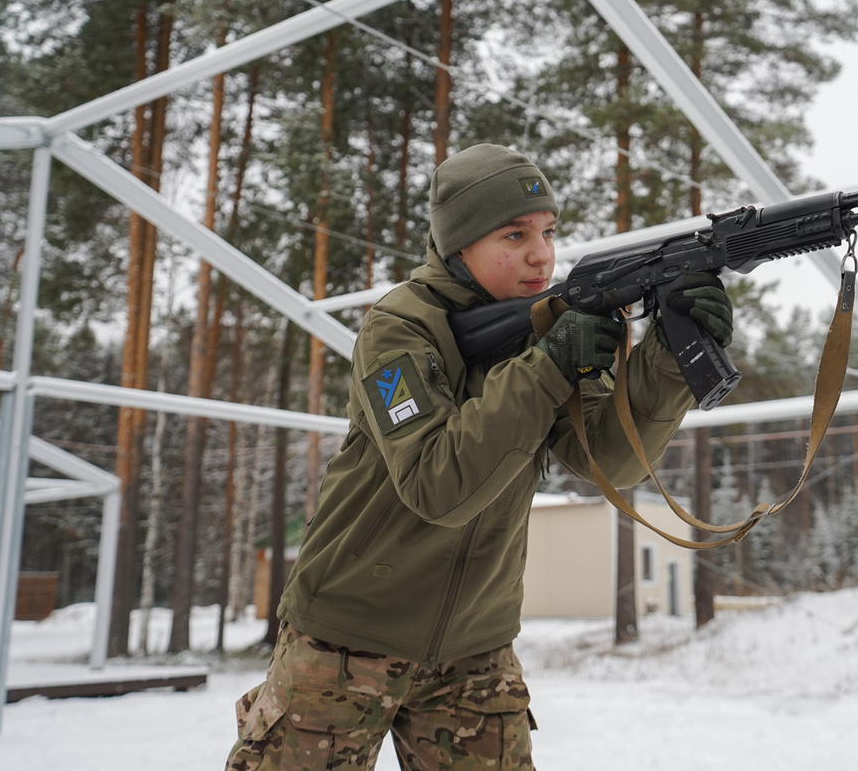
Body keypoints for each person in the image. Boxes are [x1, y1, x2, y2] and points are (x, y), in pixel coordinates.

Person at [226, 143, 732, 770]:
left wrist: (667, 358)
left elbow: (609, 458)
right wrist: (546, 367)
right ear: (457, 245)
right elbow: (437, 485)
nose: (541, 253)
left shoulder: (550, 324)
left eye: (548, 232)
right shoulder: (397, 331)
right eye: (514, 235)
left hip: (477, 649)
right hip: (343, 642)